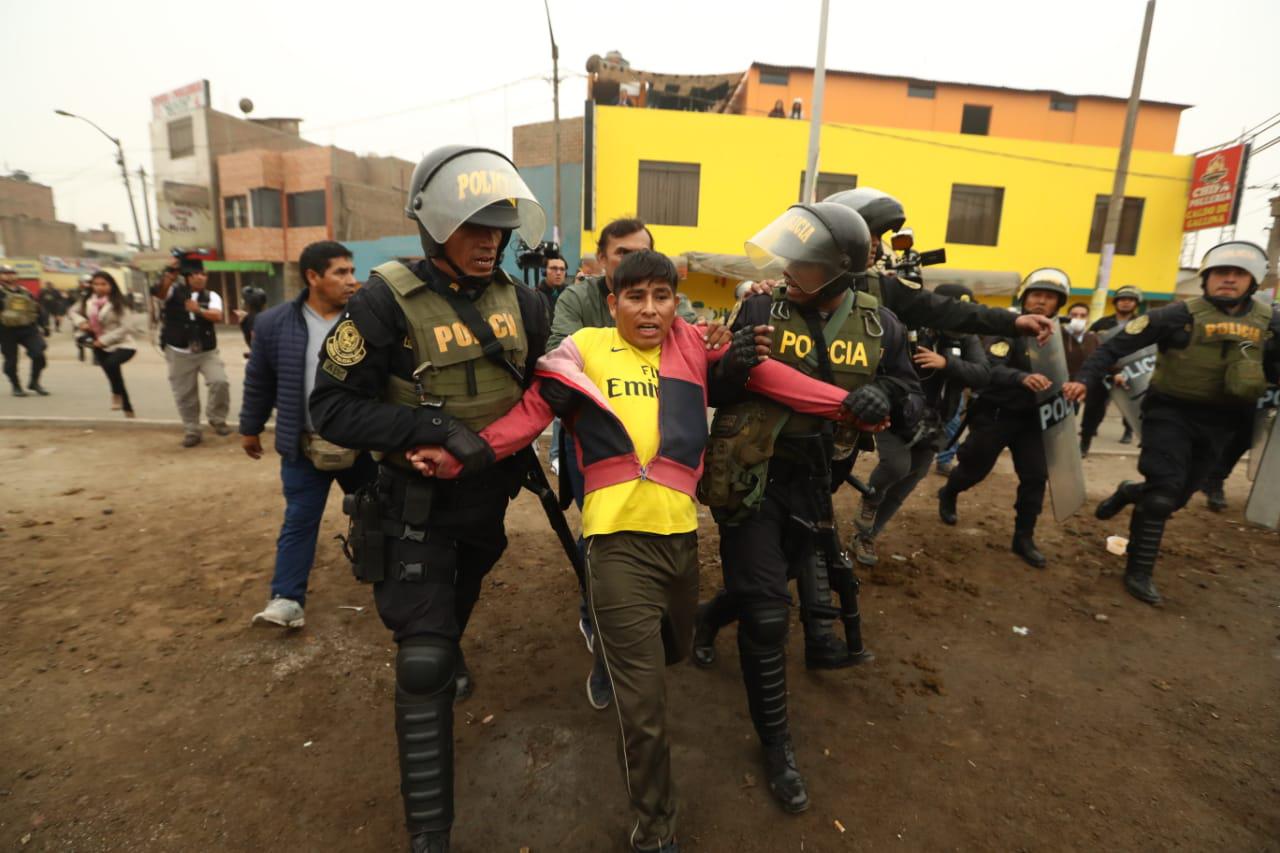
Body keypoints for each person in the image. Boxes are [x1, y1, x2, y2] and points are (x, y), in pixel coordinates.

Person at [409, 247, 877, 852]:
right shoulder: (584, 352)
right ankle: (655, 828)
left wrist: (849, 407)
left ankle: (663, 644)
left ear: (675, 302)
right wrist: (459, 455)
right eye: (635, 297)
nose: (650, 309)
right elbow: (529, 416)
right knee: (646, 705)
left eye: (662, 296)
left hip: (680, 542)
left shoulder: (691, 348)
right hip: (615, 547)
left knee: (672, 652)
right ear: (613, 303)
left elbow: (769, 379)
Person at [308, 145, 552, 853]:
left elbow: (548, 386)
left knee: (458, 601)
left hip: (485, 506)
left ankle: (451, 640)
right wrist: (427, 425)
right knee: (423, 662)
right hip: (411, 505)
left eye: (499, 228)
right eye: (474, 226)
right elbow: (331, 407)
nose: (490, 241)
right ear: (434, 225)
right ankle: (429, 835)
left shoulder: (526, 302)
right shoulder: (383, 300)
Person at [692, 202, 918, 814]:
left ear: (841, 272)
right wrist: (734, 365)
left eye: (808, 263)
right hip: (752, 477)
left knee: (767, 585)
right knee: (768, 615)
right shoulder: (761, 305)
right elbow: (712, 384)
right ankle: (777, 747)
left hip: (818, 486)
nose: (792, 269)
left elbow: (912, 399)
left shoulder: (882, 327)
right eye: (792, 258)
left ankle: (710, 619)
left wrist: (886, 393)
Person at [1065, 241, 1280, 604]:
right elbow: (1111, 348)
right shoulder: (1175, 315)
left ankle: (1130, 492)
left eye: (1238, 274)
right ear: (1206, 278)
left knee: (1177, 496)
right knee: (1163, 494)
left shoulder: (1270, 323)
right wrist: (1084, 379)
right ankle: (1138, 570)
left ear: (1253, 280)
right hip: (1171, 413)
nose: (1228, 280)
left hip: (1226, 420)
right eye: (1221, 273)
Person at [548, 216, 658, 708]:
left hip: (654, 448)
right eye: (622, 255)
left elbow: (693, 344)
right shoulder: (578, 298)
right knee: (601, 535)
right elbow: (561, 356)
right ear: (601, 260)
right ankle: (598, 628)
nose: (633, 263)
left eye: (642, 252)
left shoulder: (663, 291)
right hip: (589, 437)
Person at [241, 241, 377, 629]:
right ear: (313, 277)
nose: (351, 280)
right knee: (300, 519)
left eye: (352, 271)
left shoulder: (367, 319)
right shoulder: (273, 324)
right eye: (340, 272)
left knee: (380, 513)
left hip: (363, 444)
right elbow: (259, 381)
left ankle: (392, 582)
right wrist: (250, 428)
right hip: (305, 447)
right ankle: (286, 600)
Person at [937, 268, 1074, 569]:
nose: (1041, 302)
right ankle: (948, 493)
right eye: (1036, 295)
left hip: (1035, 420)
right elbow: (988, 370)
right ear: (1025, 298)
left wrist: (1076, 386)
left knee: (1036, 477)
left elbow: (1071, 373)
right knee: (973, 469)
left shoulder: (1062, 337)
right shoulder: (1007, 329)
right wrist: (1020, 378)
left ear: (1058, 304)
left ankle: (1024, 537)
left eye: (1049, 298)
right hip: (997, 414)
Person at [851, 283, 990, 566]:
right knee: (895, 466)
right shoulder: (911, 327)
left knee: (908, 482)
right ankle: (870, 499)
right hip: (899, 414)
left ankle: (867, 536)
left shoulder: (967, 339)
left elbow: (983, 374)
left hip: (934, 424)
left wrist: (946, 363)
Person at [159, 252, 231, 447]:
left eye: (203, 274)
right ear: (187, 276)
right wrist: (170, 273)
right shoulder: (174, 291)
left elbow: (216, 316)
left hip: (207, 351)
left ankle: (217, 418)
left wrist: (198, 310)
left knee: (220, 382)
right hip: (179, 351)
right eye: (195, 274)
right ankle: (192, 429)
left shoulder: (212, 295)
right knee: (185, 393)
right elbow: (160, 293)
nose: (200, 277)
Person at [1080, 285, 1143, 452]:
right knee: (1094, 406)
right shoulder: (1102, 323)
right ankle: (1085, 440)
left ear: (1136, 304)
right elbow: (1090, 344)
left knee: (1130, 404)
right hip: (1104, 370)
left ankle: (1128, 431)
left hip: (1132, 369)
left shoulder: (1141, 323)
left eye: (1130, 300)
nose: (1125, 303)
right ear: (1115, 302)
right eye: (1122, 300)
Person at [67, 271, 137, 417]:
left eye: (103, 284)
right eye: (96, 284)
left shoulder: (119, 302)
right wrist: (82, 322)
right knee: (115, 376)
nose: (99, 287)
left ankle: (115, 393)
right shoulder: (88, 300)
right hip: (97, 344)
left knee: (112, 365)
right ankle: (128, 409)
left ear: (111, 285)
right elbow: (72, 312)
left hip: (123, 344)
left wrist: (104, 341)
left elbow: (126, 327)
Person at [0, 265, 49, 396]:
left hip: (28, 328)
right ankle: (16, 386)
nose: (9, 276)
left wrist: (45, 325)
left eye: (12, 273)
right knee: (11, 361)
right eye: (5, 273)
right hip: (6, 331)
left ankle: (34, 382)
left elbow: (37, 308)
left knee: (39, 354)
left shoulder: (25, 292)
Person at [1062, 302, 1101, 377]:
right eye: (1074, 315)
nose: (1078, 318)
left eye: (1083, 316)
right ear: (1067, 317)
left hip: (1084, 383)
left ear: (1088, 319)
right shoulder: (1058, 335)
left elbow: (1102, 358)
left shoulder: (1093, 338)